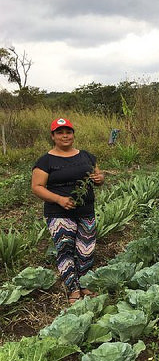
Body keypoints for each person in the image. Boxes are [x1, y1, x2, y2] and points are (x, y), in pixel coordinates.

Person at [31, 118, 105, 304]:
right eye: (60, 132)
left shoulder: (86, 156)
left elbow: (99, 177)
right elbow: (37, 187)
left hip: (86, 210)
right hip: (59, 213)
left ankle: (85, 284)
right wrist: (59, 199)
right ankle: (73, 288)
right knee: (65, 249)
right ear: (53, 136)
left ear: (73, 134)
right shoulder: (46, 161)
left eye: (68, 132)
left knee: (86, 249)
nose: (65, 136)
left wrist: (99, 178)